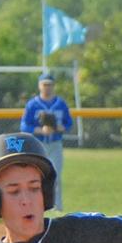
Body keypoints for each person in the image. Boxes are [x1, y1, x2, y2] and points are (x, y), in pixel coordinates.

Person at [20, 71, 73, 210]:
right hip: (38, 144)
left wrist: (62, 127)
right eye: (44, 84)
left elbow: (69, 123)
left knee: (56, 176)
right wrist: (40, 130)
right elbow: (24, 125)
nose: (47, 87)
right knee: (36, 177)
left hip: (55, 144)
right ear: (39, 86)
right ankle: (38, 207)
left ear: (54, 86)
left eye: (50, 85)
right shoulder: (33, 104)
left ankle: (57, 208)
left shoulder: (60, 103)